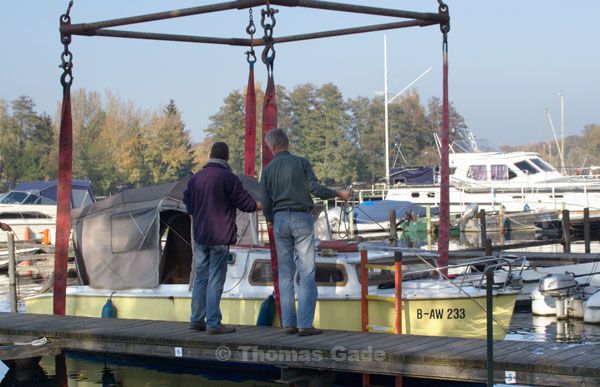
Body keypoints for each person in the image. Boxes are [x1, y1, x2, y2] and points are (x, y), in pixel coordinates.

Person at [260, 128, 351, 336]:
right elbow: (316, 189)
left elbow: (266, 204)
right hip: (301, 217)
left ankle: (289, 324)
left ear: (272, 146)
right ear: (287, 142)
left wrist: (274, 220)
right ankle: (305, 325)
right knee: (307, 272)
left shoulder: (267, 170)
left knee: (284, 274)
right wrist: (338, 193)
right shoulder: (301, 163)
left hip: (280, 220)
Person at [184, 142, 261, 335]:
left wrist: (197, 212)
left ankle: (196, 319)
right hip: (219, 237)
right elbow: (246, 204)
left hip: (200, 235)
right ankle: (213, 323)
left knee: (201, 277)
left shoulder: (196, 178)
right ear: (226, 157)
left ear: (210, 155)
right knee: (216, 280)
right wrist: (264, 205)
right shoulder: (228, 178)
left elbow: (187, 201)